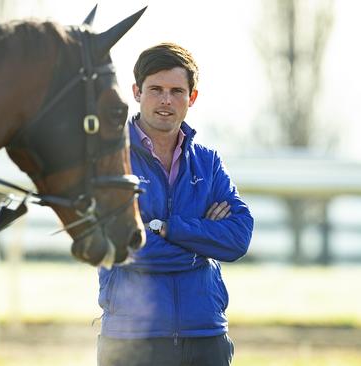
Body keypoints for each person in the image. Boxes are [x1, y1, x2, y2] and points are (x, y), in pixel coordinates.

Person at [96, 42, 254, 366]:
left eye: (176, 91)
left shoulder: (208, 163)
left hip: (207, 337)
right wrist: (205, 241)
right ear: (137, 92)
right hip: (131, 340)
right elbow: (125, 247)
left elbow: (239, 237)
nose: (166, 100)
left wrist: (166, 228)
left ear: (192, 97)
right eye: (156, 89)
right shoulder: (109, 160)